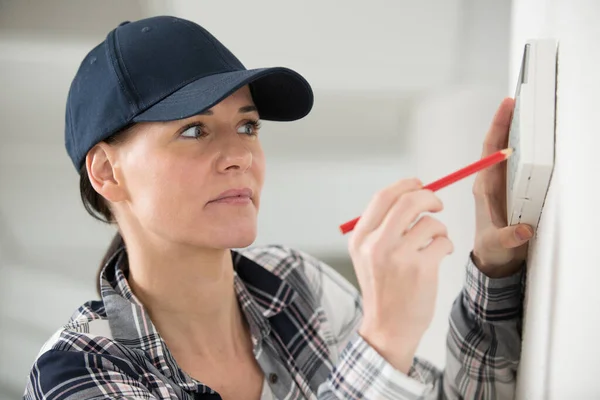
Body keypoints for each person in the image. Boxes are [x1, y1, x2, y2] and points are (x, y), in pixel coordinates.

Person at [23, 15, 533, 400]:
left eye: (247, 125)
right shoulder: (76, 371)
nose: (241, 155)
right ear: (108, 173)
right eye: (194, 130)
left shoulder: (299, 284)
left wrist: (493, 268)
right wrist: (382, 345)